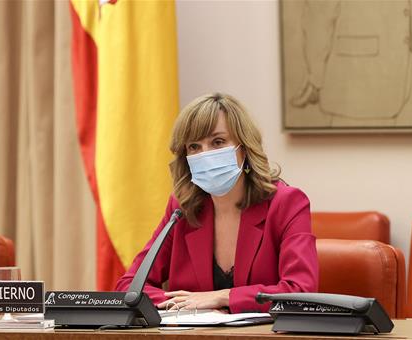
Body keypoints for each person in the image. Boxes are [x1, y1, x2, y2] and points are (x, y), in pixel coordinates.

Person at [115, 93, 318, 313]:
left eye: (218, 142)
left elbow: (301, 292)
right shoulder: (182, 208)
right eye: (194, 147)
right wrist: (187, 305)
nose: (205, 155)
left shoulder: (286, 203)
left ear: (244, 148)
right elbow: (129, 287)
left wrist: (223, 297)